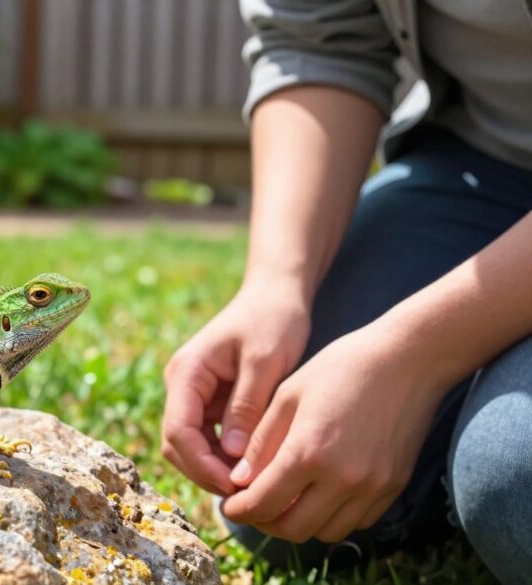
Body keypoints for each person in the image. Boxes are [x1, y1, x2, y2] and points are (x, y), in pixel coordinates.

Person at [161, 1, 532, 582]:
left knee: (513, 477)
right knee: (279, 480)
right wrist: (277, 283)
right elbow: (320, 41)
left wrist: (417, 356)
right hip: (492, 162)